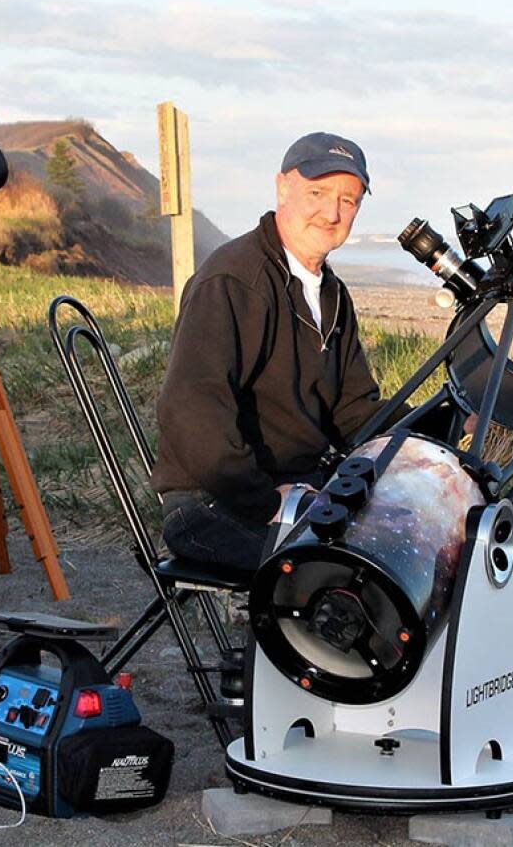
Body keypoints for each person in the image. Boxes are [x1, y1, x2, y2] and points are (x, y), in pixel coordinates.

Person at [150, 131, 407, 572]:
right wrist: (264, 501)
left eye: (349, 200)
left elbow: (356, 416)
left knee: (408, 547)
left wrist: (449, 423)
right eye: (318, 192)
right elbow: (190, 410)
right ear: (282, 186)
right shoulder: (233, 280)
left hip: (300, 488)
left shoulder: (332, 294)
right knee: (358, 576)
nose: (332, 212)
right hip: (214, 503)